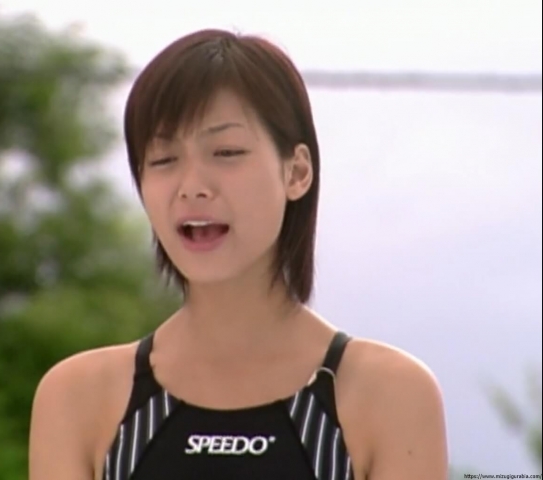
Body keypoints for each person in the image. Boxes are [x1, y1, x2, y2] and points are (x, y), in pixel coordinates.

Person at [28, 29, 448, 480]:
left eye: (226, 152)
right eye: (164, 159)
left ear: (297, 172)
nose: (192, 186)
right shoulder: (81, 398)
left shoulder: (388, 396)